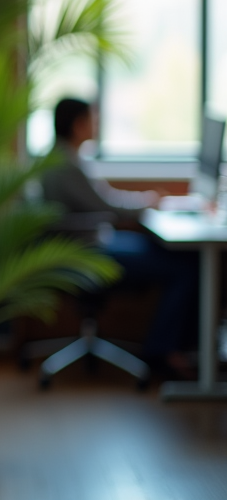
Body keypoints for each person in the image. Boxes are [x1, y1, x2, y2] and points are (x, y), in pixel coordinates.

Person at [40, 97, 197, 377]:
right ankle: (163, 352)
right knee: (183, 267)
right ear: (78, 125)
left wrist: (145, 201)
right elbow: (108, 207)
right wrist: (148, 202)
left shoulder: (63, 157)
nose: (97, 126)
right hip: (88, 252)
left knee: (173, 255)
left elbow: (103, 200)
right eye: (93, 120)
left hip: (89, 243)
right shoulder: (67, 166)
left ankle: (172, 348)